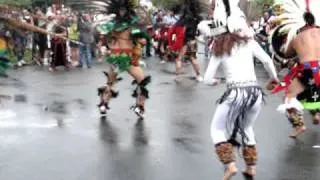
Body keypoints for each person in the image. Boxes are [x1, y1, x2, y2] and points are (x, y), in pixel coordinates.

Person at [204, 0, 279, 179]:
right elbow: (268, 61)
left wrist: (214, 82)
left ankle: (230, 166)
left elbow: (207, 79)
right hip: (255, 93)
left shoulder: (219, 47)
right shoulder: (249, 43)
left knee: (216, 129)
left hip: (235, 93)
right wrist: (274, 79)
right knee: (247, 128)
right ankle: (251, 168)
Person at [269, 0, 320, 138]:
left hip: (309, 69)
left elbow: (285, 55)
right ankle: (316, 113)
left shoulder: (297, 38)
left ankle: (299, 125)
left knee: (289, 96)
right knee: (312, 92)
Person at [96, 0, 151, 119]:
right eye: (120, 10)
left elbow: (142, 39)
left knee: (139, 82)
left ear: (127, 11)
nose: (122, 12)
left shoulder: (117, 25)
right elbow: (142, 39)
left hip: (123, 57)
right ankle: (105, 105)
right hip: (121, 57)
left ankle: (106, 105)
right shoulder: (119, 25)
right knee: (114, 83)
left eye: (123, 10)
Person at [167, 0, 204, 82]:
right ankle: (199, 76)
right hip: (193, 41)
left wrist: (172, 43)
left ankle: (177, 77)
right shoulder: (195, 20)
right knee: (193, 59)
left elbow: (171, 32)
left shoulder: (181, 21)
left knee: (179, 59)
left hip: (184, 42)